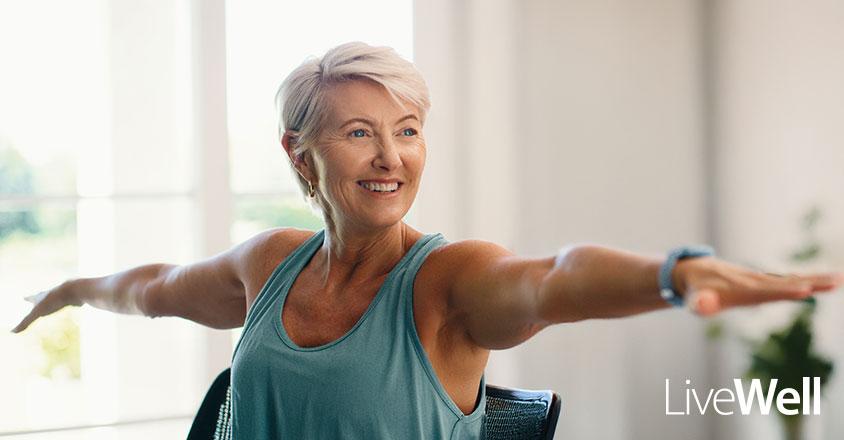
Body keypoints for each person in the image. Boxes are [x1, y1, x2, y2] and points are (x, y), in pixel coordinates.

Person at [12, 42, 843, 439]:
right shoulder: (269, 263)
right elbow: (154, 288)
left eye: (408, 131)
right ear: (298, 152)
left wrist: (673, 273)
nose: (390, 158)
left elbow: (554, 278)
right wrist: (72, 291)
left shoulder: (447, 281)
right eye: (360, 133)